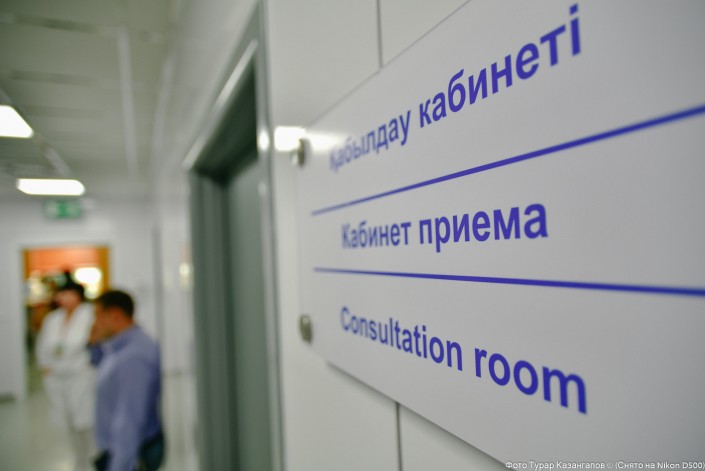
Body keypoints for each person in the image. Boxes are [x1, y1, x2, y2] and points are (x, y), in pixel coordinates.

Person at [90, 290, 164, 471]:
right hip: (120, 448)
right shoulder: (120, 346)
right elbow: (99, 362)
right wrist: (93, 343)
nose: (95, 323)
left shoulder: (134, 356)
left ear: (115, 315)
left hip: (131, 452)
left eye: (98, 316)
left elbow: (130, 419)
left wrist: (120, 466)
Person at [35, 280, 95, 471]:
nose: (64, 298)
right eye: (61, 294)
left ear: (78, 295)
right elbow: (42, 345)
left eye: (68, 294)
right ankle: (79, 457)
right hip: (56, 376)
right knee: (67, 419)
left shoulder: (90, 314)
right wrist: (45, 366)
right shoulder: (53, 318)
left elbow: (92, 344)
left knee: (84, 419)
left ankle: (92, 456)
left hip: (81, 375)